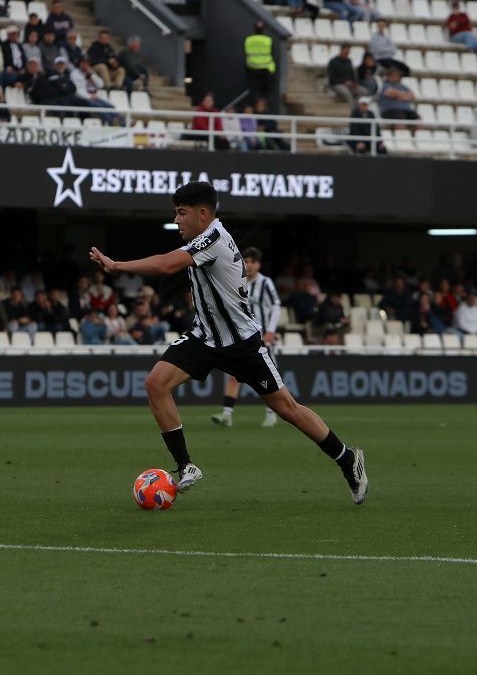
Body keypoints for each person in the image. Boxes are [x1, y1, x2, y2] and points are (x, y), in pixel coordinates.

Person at [89, 181, 368, 503]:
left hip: (240, 342)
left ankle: (348, 459)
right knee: (155, 383)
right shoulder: (202, 239)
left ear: (203, 213)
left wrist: (117, 265)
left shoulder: (213, 238)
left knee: (286, 408)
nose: (176, 220)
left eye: (181, 213)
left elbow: (167, 265)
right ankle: (186, 466)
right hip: (204, 336)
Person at [211, 246, 282, 429]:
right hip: (242, 337)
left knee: (267, 377)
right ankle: (227, 414)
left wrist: (271, 331)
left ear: (258, 264)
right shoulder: (238, 280)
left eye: (252, 262)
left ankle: (271, 413)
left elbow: (276, 306)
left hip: (262, 338)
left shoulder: (265, 283)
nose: (248, 265)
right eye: (246, 261)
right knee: (234, 375)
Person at [244, 21, 276, 106]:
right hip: (266, 69)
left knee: (254, 90)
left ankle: (255, 106)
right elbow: (272, 55)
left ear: (254, 28)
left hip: (252, 68)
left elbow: (246, 52)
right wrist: (272, 70)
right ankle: (265, 107)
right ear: (263, 29)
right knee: (267, 90)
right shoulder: (268, 40)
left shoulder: (248, 40)